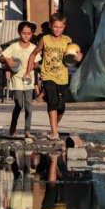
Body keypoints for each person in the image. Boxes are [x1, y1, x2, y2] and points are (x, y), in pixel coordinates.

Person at [24, 13, 82, 141]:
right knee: (52, 101)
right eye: (55, 27)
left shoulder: (67, 40)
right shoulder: (45, 39)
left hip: (62, 76)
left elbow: (76, 54)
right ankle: (54, 133)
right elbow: (34, 53)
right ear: (51, 26)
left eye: (60, 27)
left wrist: (78, 57)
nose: (57, 30)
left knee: (61, 107)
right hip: (48, 75)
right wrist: (28, 71)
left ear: (64, 27)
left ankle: (54, 126)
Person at [0, 21, 41, 139]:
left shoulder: (34, 48)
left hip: (28, 79)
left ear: (32, 34)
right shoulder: (14, 46)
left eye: (29, 33)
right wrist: (9, 62)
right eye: (24, 33)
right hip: (16, 79)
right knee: (18, 104)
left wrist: (31, 67)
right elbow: (1, 57)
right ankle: (13, 126)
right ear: (19, 33)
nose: (26, 36)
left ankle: (27, 131)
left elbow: (37, 63)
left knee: (29, 106)